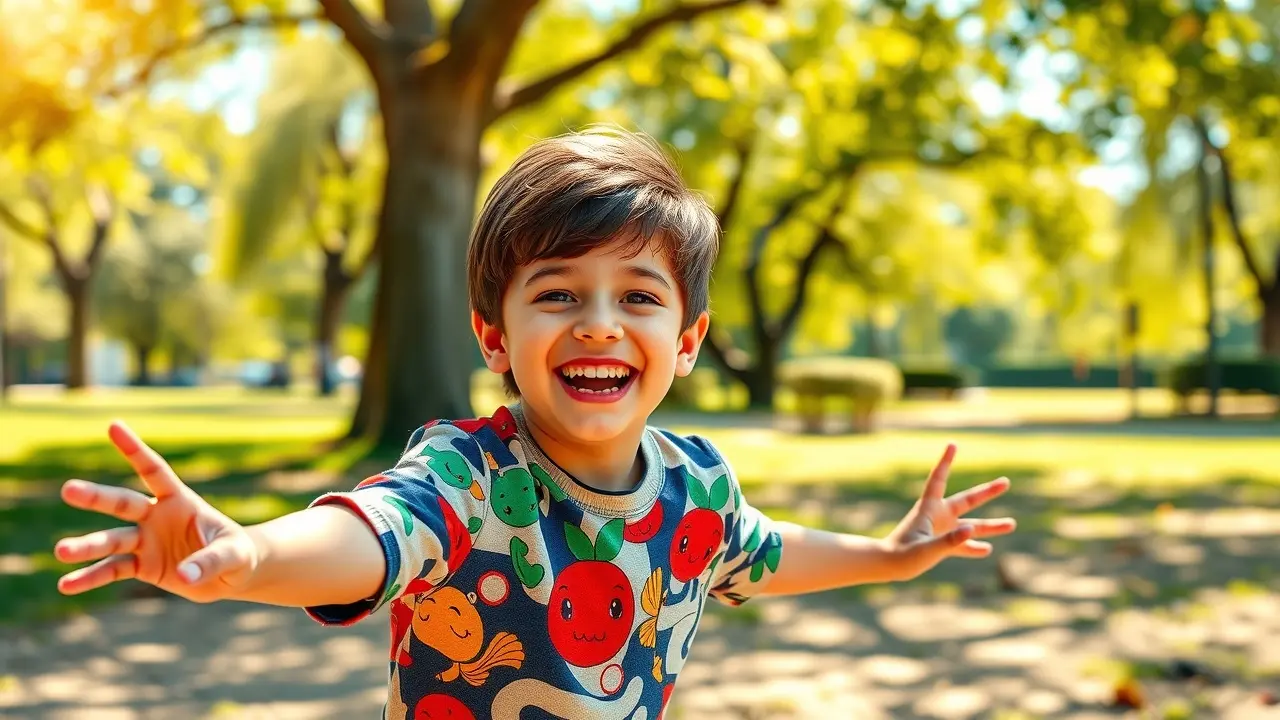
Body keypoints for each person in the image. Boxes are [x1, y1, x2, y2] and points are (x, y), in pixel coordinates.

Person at [53, 127, 1016, 719]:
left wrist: (888, 556)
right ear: (494, 336)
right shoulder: (470, 478)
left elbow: (761, 552)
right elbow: (372, 535)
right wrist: (253, 555)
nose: (599, 321)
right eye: (556, 294)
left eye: (639, 297)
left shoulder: (697, 489)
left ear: (687, 341)